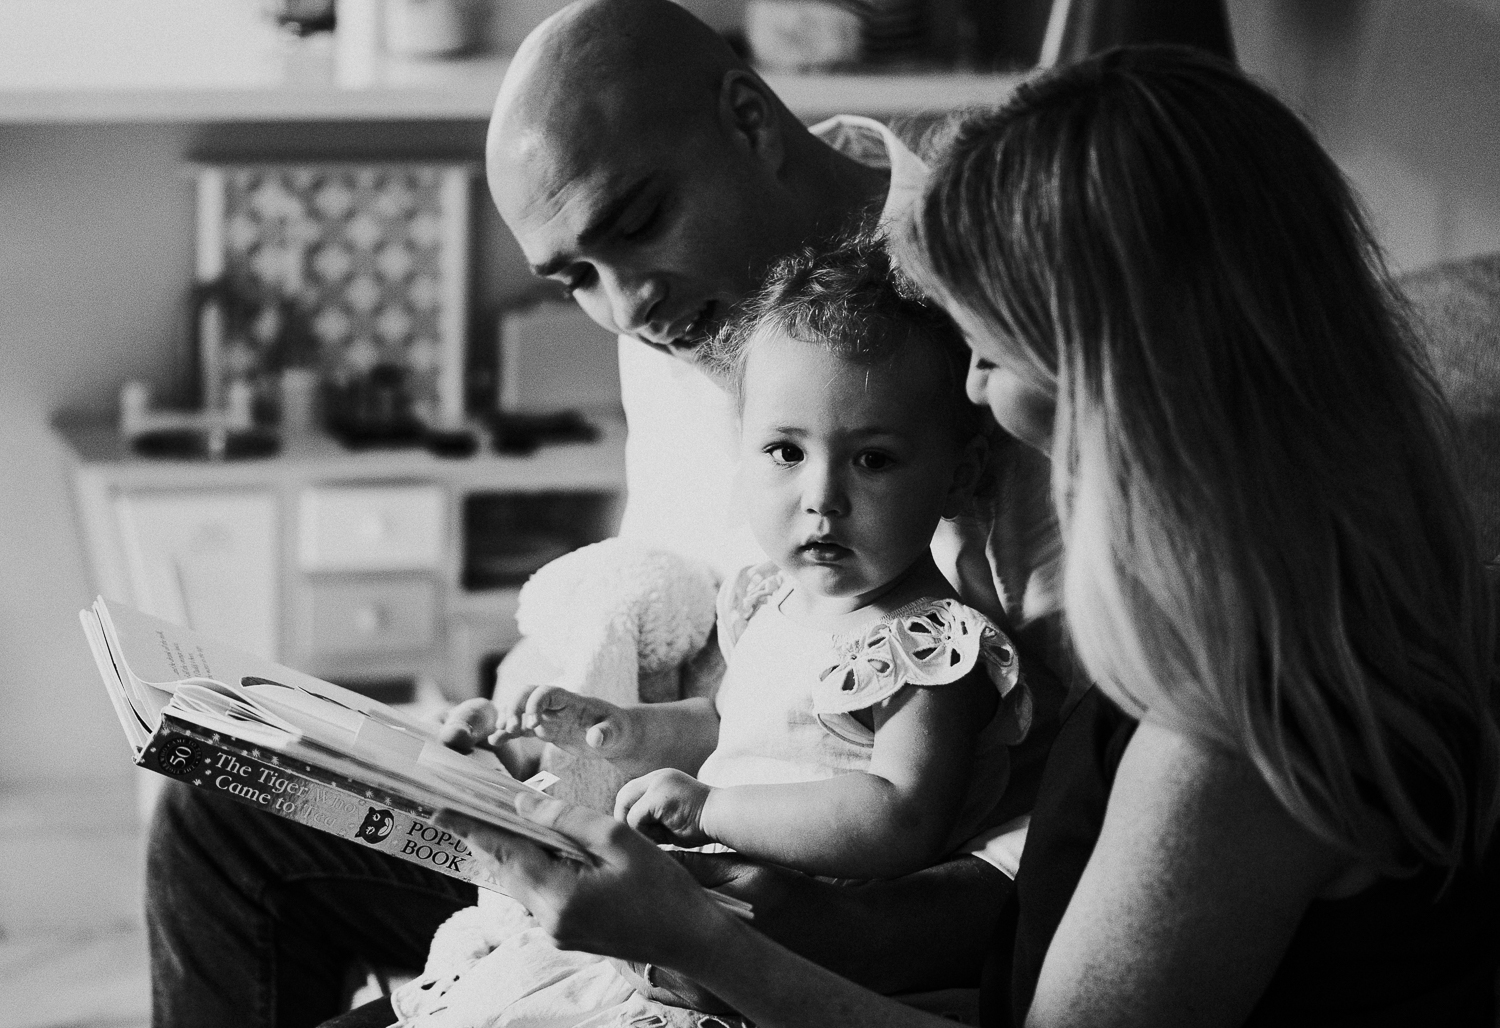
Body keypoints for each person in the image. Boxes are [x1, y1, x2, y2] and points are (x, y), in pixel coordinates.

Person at [434, 46, 1500, 1028]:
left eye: (988, 351)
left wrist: (697, 940)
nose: (975, 396)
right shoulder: (1257, 609)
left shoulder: (1235, 721)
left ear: (1117, 370)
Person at [144, 2, 1062, 1025]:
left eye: (633, 225)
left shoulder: (992, 319)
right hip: (659, 817)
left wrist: (815, 929)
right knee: (223, 807)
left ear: (751, 123)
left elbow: (1069, 812)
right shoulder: (672, 314)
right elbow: (685, 610)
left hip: (836, 900)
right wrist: (555, 729)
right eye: (575, 275)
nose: (626, 309)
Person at [385, 239, 1034, 1027]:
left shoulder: (929, 641)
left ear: (958, 476)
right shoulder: (775, 600)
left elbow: (898, 816)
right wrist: (616, 726)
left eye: (873, 459)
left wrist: (709, 809)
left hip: (788, 958)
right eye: (786, 452)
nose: (822, 497)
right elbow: (729, 722)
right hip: (691, 916)